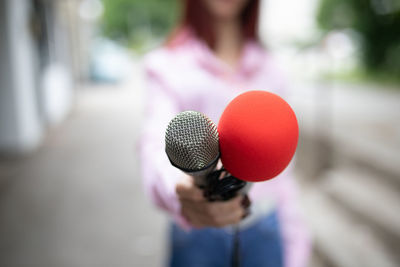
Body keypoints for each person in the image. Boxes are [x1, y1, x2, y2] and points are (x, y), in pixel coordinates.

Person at [139, 0, 311, 266]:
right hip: (196, 235)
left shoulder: (272, 69)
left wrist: (296, 248)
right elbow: (153, 144)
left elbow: (284, 176)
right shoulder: (166, 65)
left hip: (265, 227)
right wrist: (180, 190)